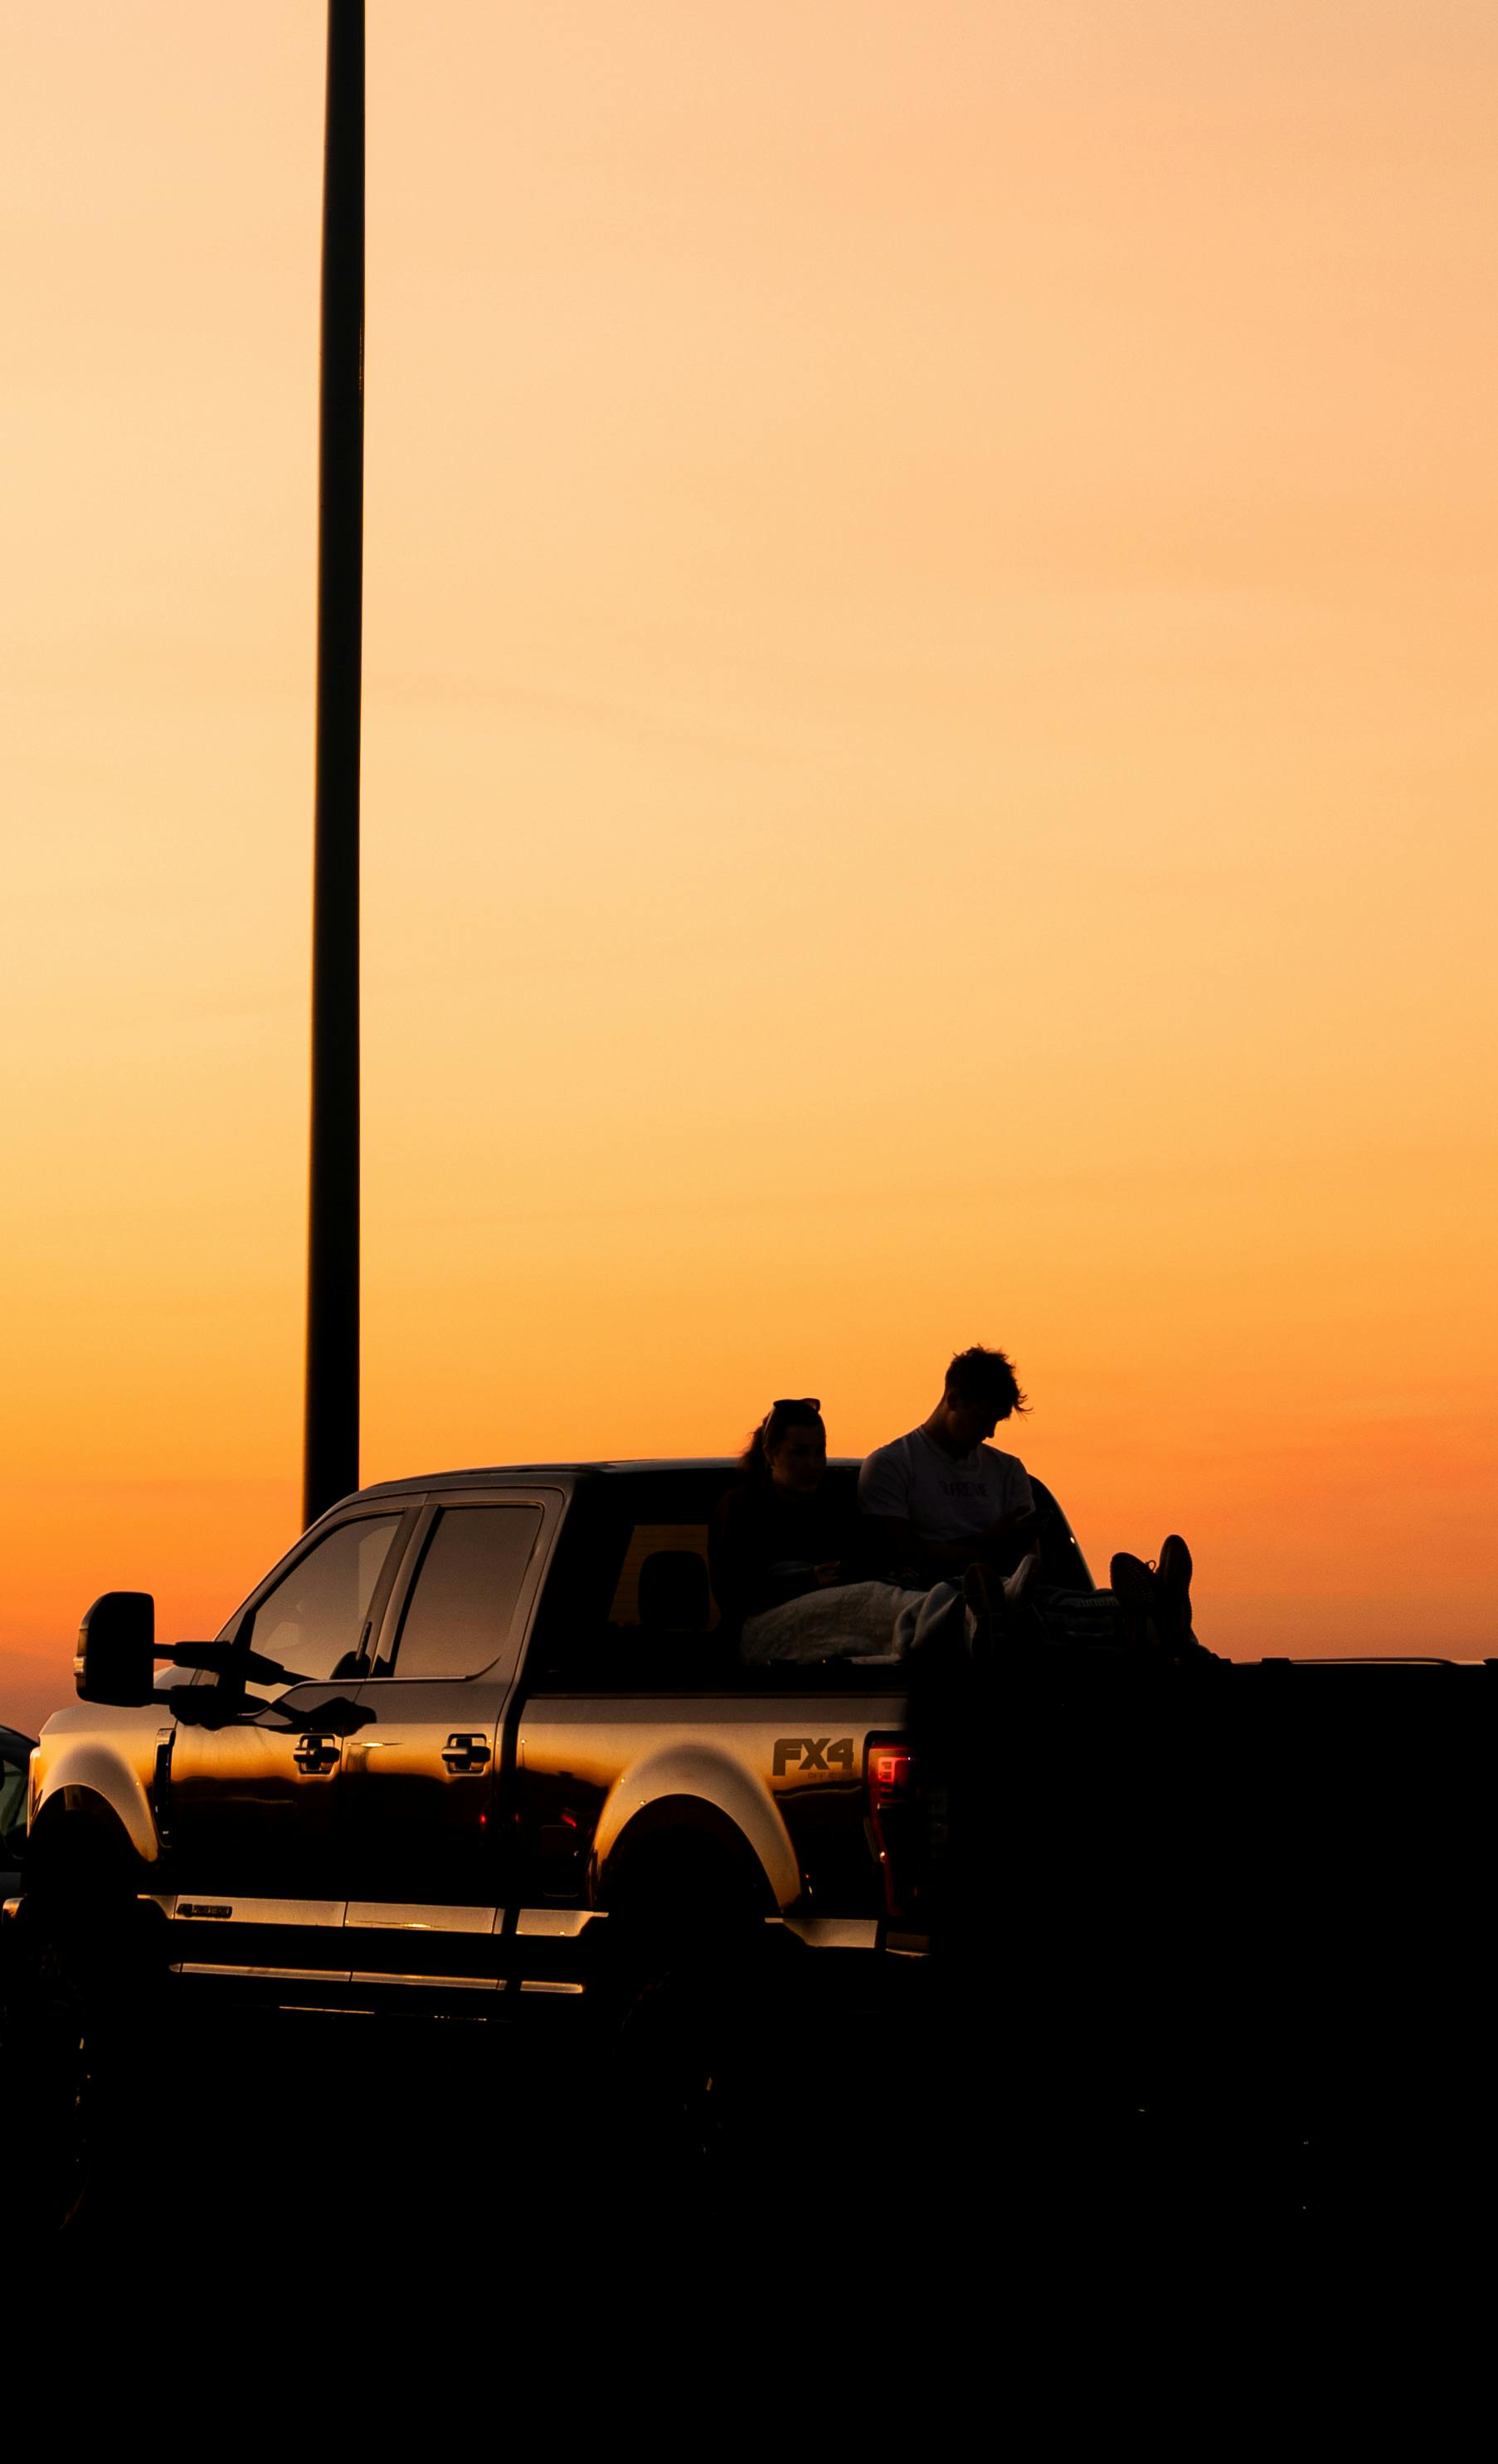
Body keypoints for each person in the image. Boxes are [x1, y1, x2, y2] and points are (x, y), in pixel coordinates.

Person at [860, 1345, 1203, 1658]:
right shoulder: (892, 1465)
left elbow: (1030, 1562)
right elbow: (901, 1554)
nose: (990, 1432)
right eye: (983, 1419)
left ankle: (1151, 1610)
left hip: (1018, 1590)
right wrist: (990, 1546)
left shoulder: (1008, 1470)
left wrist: (1010, 1557)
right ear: (953, 1399)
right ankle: (1143, 1619)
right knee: (971, 1605)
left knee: (1069, 1604)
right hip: (941, 1591)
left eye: (996, 1422)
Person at [708, 1398, 1033, 1664]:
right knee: (872, 1600)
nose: (813, 1464)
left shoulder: (835, 1503)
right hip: (761, 1630)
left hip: (830, 1622)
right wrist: (808, 1579)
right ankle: (962, 1616)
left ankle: (993, 1604)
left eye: (819, 1451)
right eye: (800, 1452)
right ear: (770, 1453)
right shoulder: (742, 1507)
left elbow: (869, 1556)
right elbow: (733, 1592)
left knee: (885, 1596)